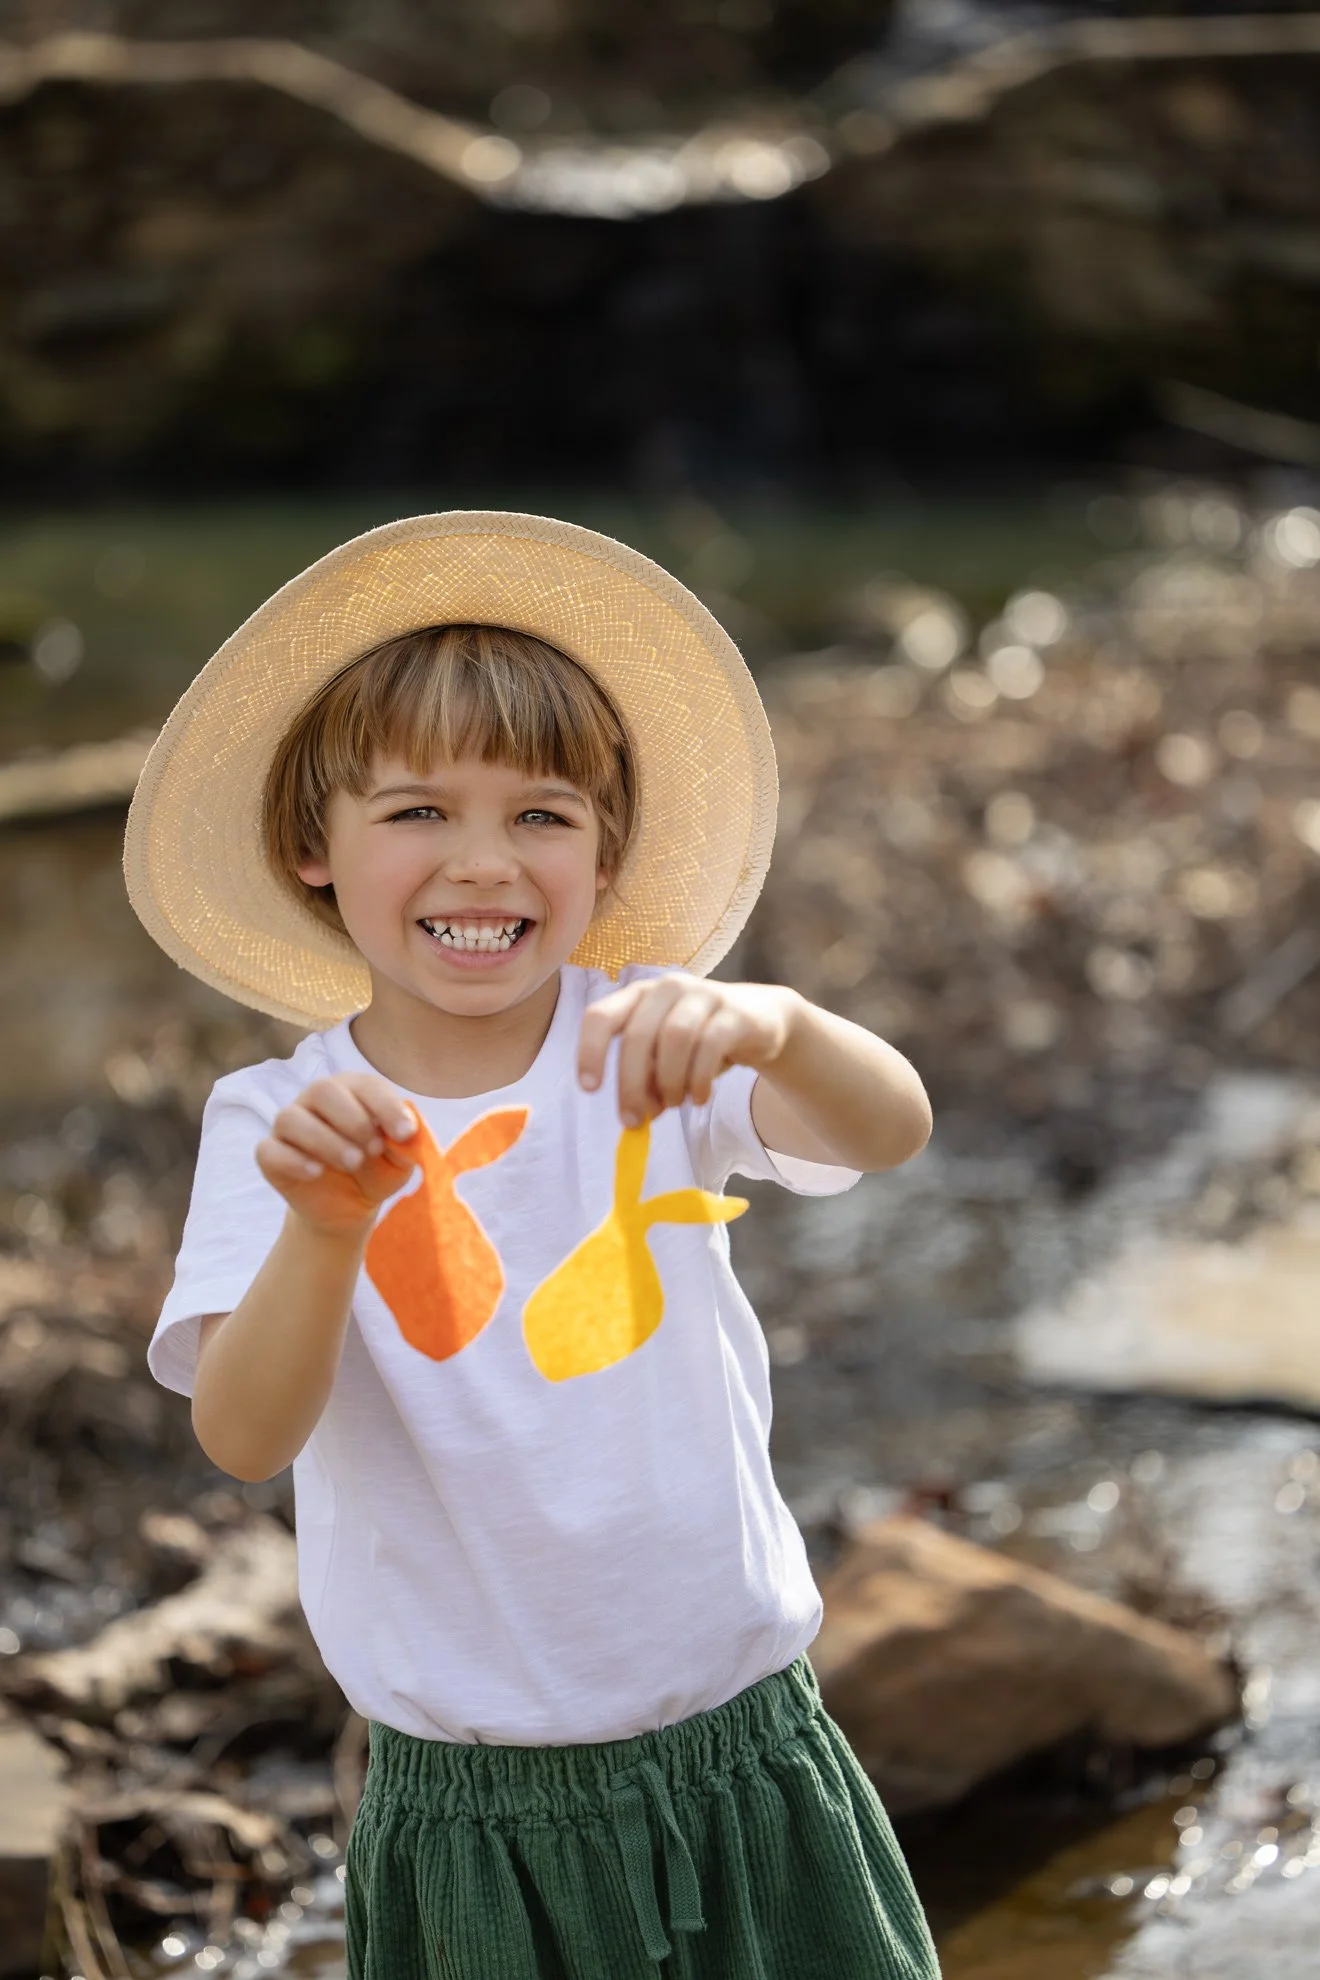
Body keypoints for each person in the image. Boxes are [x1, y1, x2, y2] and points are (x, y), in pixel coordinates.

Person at [128, 511, 941, 1980]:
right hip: (473, 1812)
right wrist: (326, 1229)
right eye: (419, 812)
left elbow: (888, 1131)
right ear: (315, 848)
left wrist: (779, 1023)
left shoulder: (650, 1039)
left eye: (541, 816)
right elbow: (247, 1436)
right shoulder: (280, 1116)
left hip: (746, 1751)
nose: (484, 865)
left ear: (605, 848)